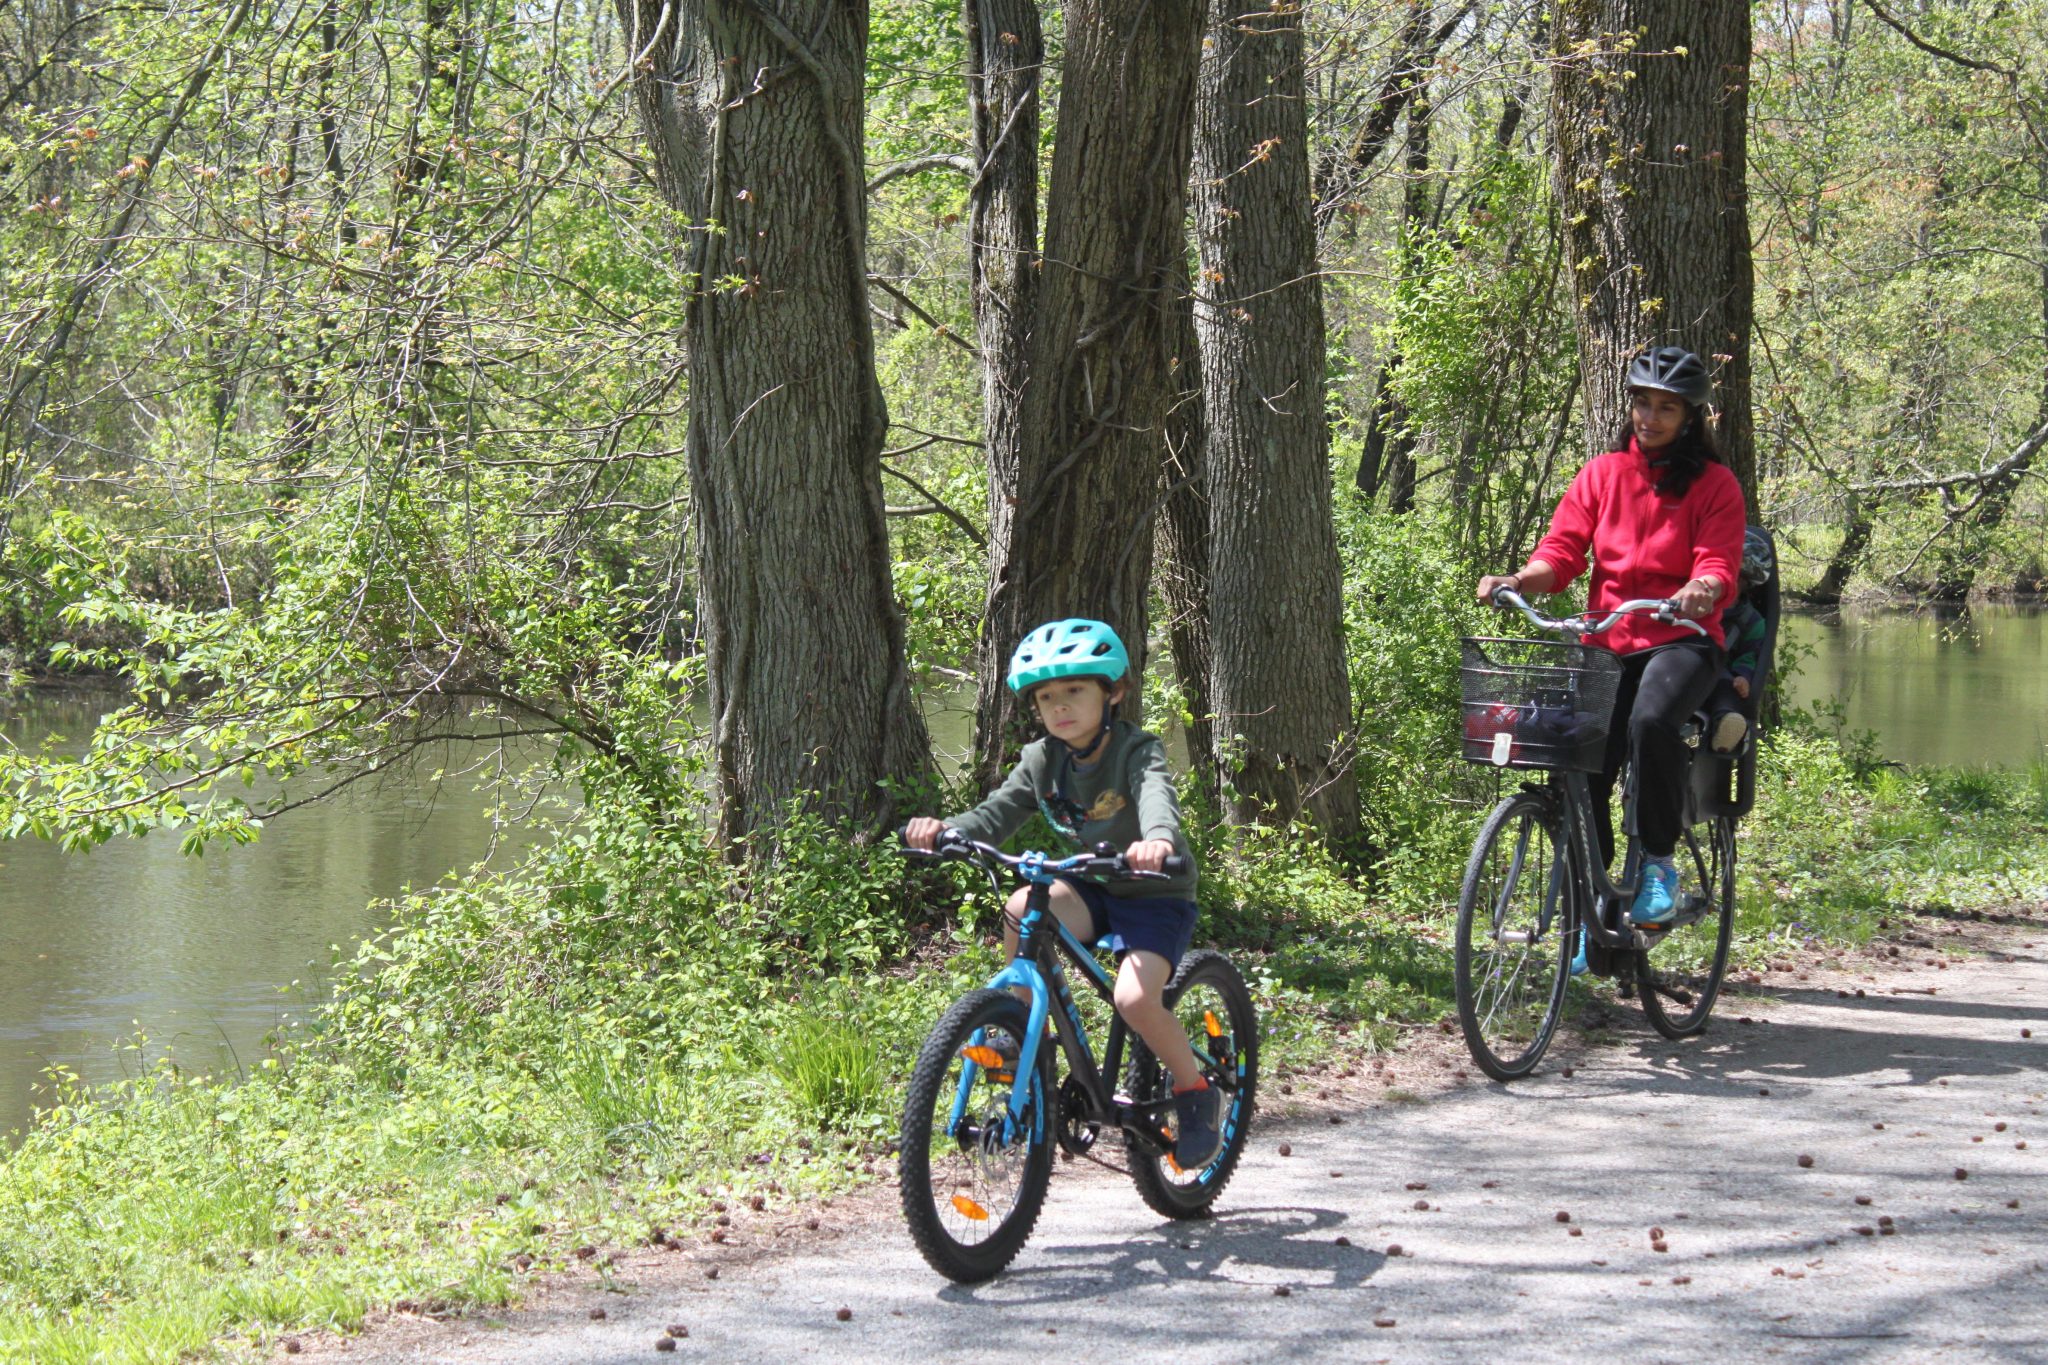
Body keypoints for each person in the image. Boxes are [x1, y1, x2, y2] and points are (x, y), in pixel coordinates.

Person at [903, 619, 1218, 1167]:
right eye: (1047, 696)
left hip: (1153, 891)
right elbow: (995, 814)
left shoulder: (1135, 751)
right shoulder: (1041, 759)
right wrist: (946, 831)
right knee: (1023, 906)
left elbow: (1156, 799)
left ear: (1112, 692)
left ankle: (1195, 1093)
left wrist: (1157, 840)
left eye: (1075, 690)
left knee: (1134, 1000)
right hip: (1092, 883)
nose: (1060, 706)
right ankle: (1025, 1034)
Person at [1475, 346, 1747, 948]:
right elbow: (1563, 553)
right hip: (1608, 638)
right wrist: (1519, 580)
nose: (1650, 417)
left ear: (1690, 417)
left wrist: (1702, 589)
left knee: (1650, 723)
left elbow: (1718, 563)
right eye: (1642, 403)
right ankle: (1594, 904)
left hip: (1682, 638)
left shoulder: (1714, 485)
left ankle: (1658, 868)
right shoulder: (1601, 474)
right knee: (1581, 758)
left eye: (1666, 408)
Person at [1706, 528, 1774, 754]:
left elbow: (1750, 654)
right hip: (1681, 668)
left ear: (1744, 582)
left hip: (1720, 678)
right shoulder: (1695, 603)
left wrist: (1743, 676)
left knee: (1728, 690)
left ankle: (1726, 725)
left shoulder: (1751, 621)